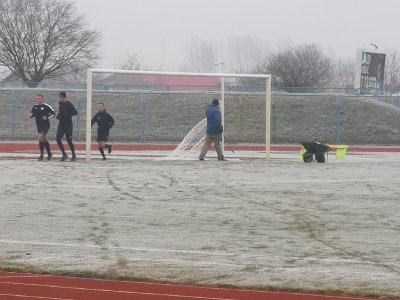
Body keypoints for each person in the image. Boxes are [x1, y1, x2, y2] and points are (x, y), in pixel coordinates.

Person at [29, 94, 56, 161]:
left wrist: (47, 117)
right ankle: (49, 153)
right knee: (43, 139)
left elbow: (54, 113)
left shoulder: (46, 106)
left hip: (45, 125)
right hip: (39, 125)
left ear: (43, 99)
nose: (38, 100)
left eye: (39, 98)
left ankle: (41, 155)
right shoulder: (35, 106)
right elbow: (32, 114)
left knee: (40, 137)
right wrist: (30, 115)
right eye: (37, 98)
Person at [56, 91, 78, 161]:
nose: (60, 99)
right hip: (61, 125)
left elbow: (75, 112)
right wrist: (59, 115)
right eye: (59, 97)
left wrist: (67, 113)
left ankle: (74, 155)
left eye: (61, 97)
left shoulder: (69, 104)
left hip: (68, 125)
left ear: (64, 97)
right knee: (58, 139)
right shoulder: (60, 103)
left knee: (69, 140)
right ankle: (64, 154)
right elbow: (61, 111)